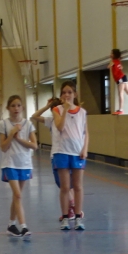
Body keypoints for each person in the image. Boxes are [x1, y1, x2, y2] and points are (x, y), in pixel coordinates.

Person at [32, 80, 89, 230]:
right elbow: (60, 126)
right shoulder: (56, 110)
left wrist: (85, 149)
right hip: (61, 152)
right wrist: (64, 110)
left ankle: (78, 217)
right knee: (64, 187)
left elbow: (85, 133)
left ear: (75, 94)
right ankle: (65, 218)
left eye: (70, 92)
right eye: (64, 92)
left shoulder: (82, 112)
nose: (66, 95)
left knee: (78, 186)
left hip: (77, 152)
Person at [0, 95, 37, 238]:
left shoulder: (28, 124)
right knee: (18, 195)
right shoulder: (3, 124)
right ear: (8, 108)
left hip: (24, 164)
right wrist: (11, 134)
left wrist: (19, 139)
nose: (16, 108)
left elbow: (34, 145)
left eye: (18, 105)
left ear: (23, 107)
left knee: (17, 196)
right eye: (13, 106)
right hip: (10, 163)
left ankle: (11, 224)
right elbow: (3, 147)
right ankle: (24, 226)